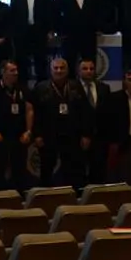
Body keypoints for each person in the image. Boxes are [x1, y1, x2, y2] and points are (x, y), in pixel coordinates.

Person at [31, 58, 93, 189]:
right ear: (50, 70)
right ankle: (46, 196)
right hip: (49, 135)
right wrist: (37, 135)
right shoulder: (41, 88)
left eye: (62, 68)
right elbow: (35, 114)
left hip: (72, 135)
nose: (59, 71)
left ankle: (74, 195)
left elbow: (85, 112)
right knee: (47, 169)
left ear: (68, 70)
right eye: (56, 68)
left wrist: (86, 134)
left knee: (74, 170)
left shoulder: (76, 86)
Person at [0, 61, 31, 191]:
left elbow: (29, 110)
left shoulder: (22, 88)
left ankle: (19, 195)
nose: (16, 73)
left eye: (16, 70)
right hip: (1, 134)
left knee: (19, 168)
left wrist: (28, 131)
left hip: (19, 134)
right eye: (12, 70)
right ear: (3, 72)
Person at [53, 0, 102, 74]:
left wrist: (97, 27)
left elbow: (98, 10)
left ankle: (89, 84)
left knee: (89, 65)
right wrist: (60, 31)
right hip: (69, 36)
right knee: (69, 66)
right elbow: (55, 14)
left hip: (88, 35)